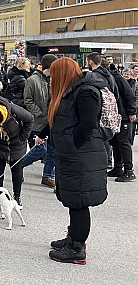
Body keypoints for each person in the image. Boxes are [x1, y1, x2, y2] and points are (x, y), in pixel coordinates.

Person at [47, 58, 108, 265]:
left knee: (79, 202)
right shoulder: (72, 91)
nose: (51, 78)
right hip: (73, 155)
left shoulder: (85, 92)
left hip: (81, 155)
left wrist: (72, 144)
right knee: (73, 200)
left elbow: (88, 123)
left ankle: (77, 248)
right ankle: (73, 237)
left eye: (54, 74)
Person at [21, 54, 58, 188]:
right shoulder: (33, 80)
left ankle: (48, 176)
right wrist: (39, 113)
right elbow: (28, 100)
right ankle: (19, 166)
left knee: (52, 151)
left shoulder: (53, 80)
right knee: (40, 148)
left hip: (51, 120)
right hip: (38, 121)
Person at [106, 63, 136, 181]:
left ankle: (129, 170)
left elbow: (129, 95)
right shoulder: (110, 78)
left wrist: (131, 112)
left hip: (123, 116)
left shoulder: (117, 79)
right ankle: (118, 167)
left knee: (124, 143)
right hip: (115, 115)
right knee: (115, 142)